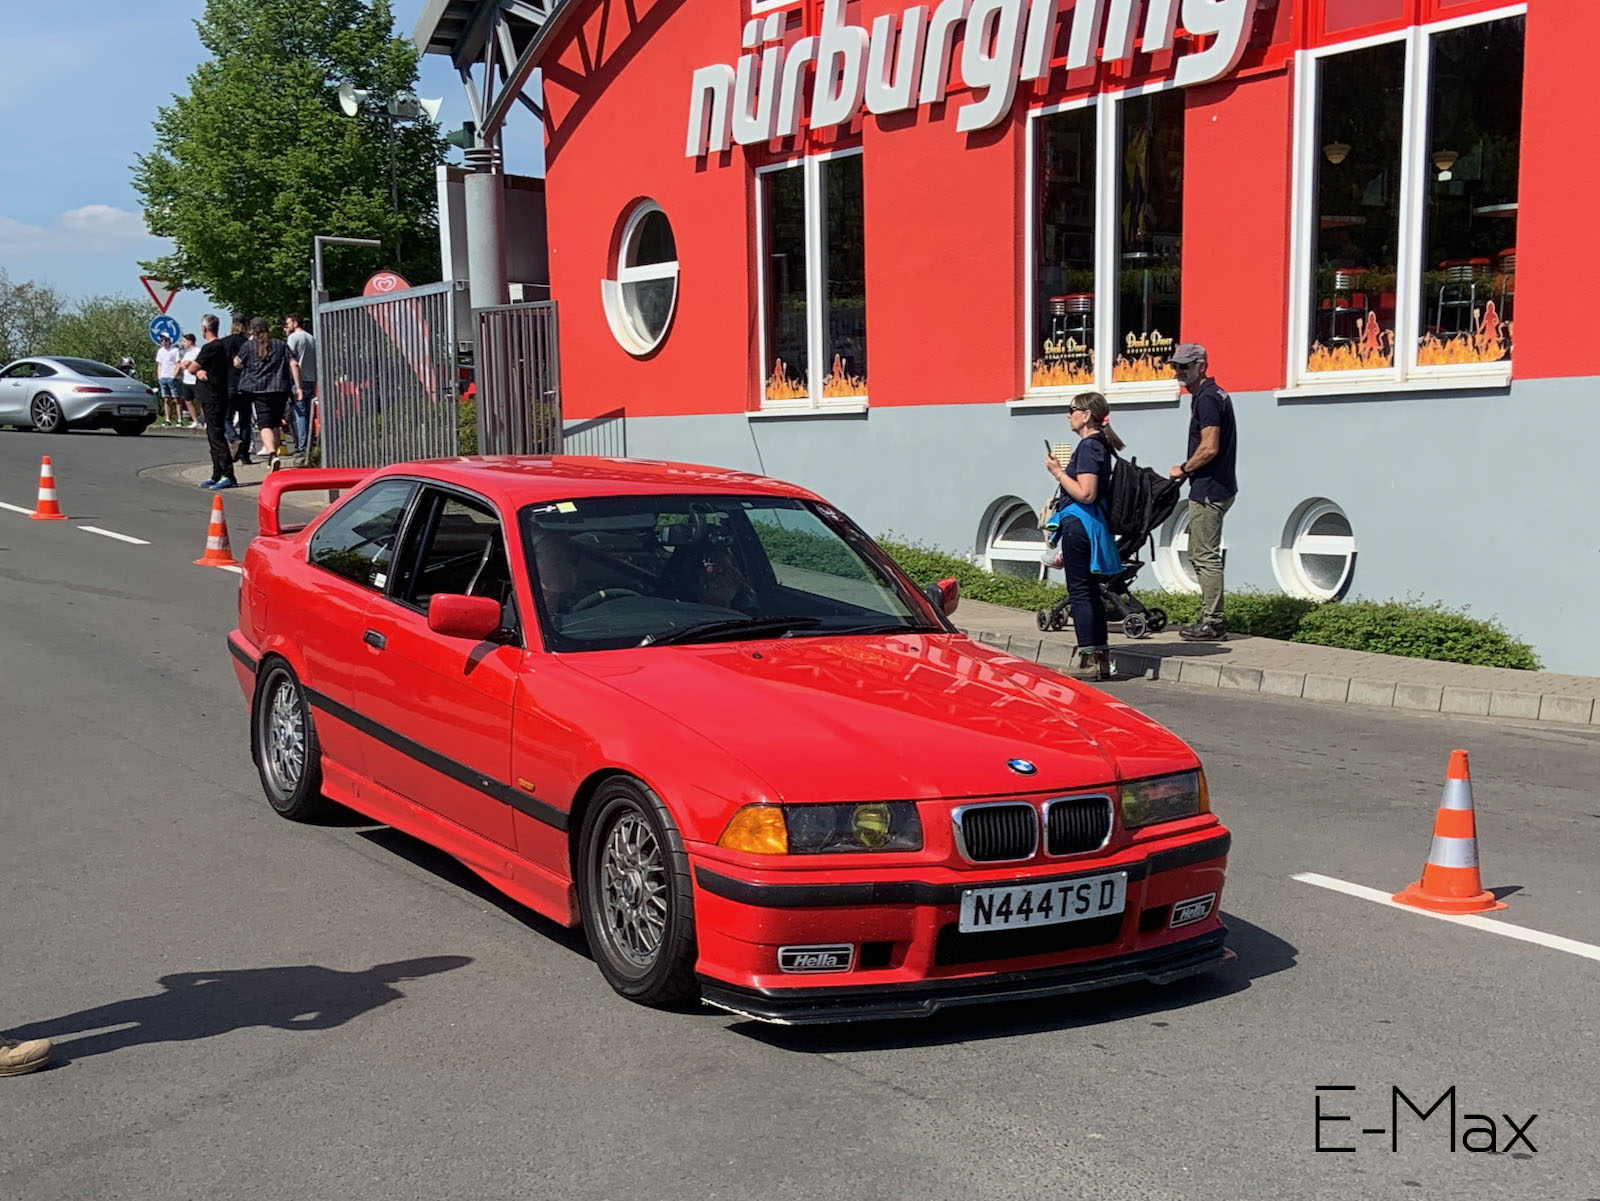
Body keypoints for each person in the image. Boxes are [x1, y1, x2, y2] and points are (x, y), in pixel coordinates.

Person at [1044, 391, 1124, 681]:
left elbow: (1086, 493)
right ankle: (1100, 659)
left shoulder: (1090, 447)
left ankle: (1088, 660)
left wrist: (1057, 472)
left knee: (1080, 592)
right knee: (1090, 592)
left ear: (1086, 414)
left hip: (1081, 524)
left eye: (1072, 409)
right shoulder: (1100, 445)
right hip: (1090, 525)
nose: (1068, 414)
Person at [1167, 343, 1239, 642]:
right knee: (1201, 552)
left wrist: (1184, 469)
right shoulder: (1212, 395)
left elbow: (1209, 447)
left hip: (1210, 489)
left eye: (1185, 366)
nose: (1179, 372)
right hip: (1215, 484)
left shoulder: (1208, 398)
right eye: (1176, 366)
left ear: (1202, 366)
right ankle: (1211, 616)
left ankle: (1214, 621)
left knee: (1203, 555)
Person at [179, 314, 238, 490]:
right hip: (212, 396)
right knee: (213, 437)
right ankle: (217, 473)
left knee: (217, 437)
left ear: (204, 329)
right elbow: (198, 368)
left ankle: (228, 474)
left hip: (213, 397)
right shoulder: (220, 347)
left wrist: (195, 369)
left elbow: (191, 368)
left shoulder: (211, 347)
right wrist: (197, 370)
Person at [233, 317, 300, 471]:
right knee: (276, 424)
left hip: (259, 390)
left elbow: (237, 363)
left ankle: (271, 454)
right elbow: (294, 363)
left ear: (252, 330)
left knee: (265, 425)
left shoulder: (248, 346)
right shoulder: (281, 344)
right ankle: (274, 453)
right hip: (280, 389)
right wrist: (298, 387)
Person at [284, 314, 317, 463]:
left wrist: (296, 385)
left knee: (299, 414)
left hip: (298, 380)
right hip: (311, 378)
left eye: (288, 323)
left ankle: (302, 446)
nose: (286, 326)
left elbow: (291, 360)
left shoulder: (293, 338)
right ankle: (310, 443)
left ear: (295, 323)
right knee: (309, 413)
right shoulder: (311, 338)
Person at [220, 315, 252, 464]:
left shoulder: (224, 343)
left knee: (225, 418)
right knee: (245, 421)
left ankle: (234, 439)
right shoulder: (249, 344)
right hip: (246, 385)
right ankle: (245, 456)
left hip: (228, 384)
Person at [532, 533, 581, 615]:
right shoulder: (516, 604)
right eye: (548, 554)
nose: (555, 564)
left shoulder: (580, 608)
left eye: (561, 557)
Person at [154, 334, 183, 425]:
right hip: (163, 377)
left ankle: (179, 419)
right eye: (162, 340)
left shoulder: (174, 350)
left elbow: (178, 363)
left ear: (170, 340)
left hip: (172, 377)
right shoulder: (160, 351)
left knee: (176, 398)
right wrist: (159, 376)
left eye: (166, 340)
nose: (164, 342)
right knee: (167, 399)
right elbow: (160, 364)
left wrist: (174, 375)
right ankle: (168, 419)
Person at [178, 333, 203, 428]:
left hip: (195, 380)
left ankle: (205, 419)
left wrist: (190, 363)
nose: (183, 343)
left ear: (190, 341)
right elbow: (182, 364)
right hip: (186, 380)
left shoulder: (198, 351)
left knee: (201, 401)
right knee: (188, 401)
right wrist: (183, 364)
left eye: (184, 341)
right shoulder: (186, 353)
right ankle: (195, 420)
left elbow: (199, 363)